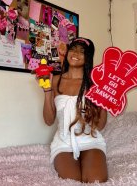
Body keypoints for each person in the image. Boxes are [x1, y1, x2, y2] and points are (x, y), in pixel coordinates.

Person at [41, 37, 108, 183]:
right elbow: (48, 121)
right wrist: (47, 91)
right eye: (73, 49)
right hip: (64, 142)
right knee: (72, 181)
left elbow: (101, 125)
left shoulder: (94, 83)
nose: (76, 53)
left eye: (82, 51)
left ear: (88, 57)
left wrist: (105, 99)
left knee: (96, 180)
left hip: (91, 140)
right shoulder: (55, 80)